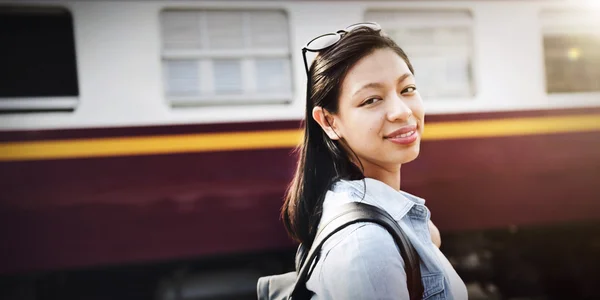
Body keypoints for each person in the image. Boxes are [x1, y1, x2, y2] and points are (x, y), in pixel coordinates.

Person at [281, 22, 468, 299]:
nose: (401, 112)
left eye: (407, 89)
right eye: (371, 100)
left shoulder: (387, 221)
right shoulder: (366, 245)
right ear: (329, 122)